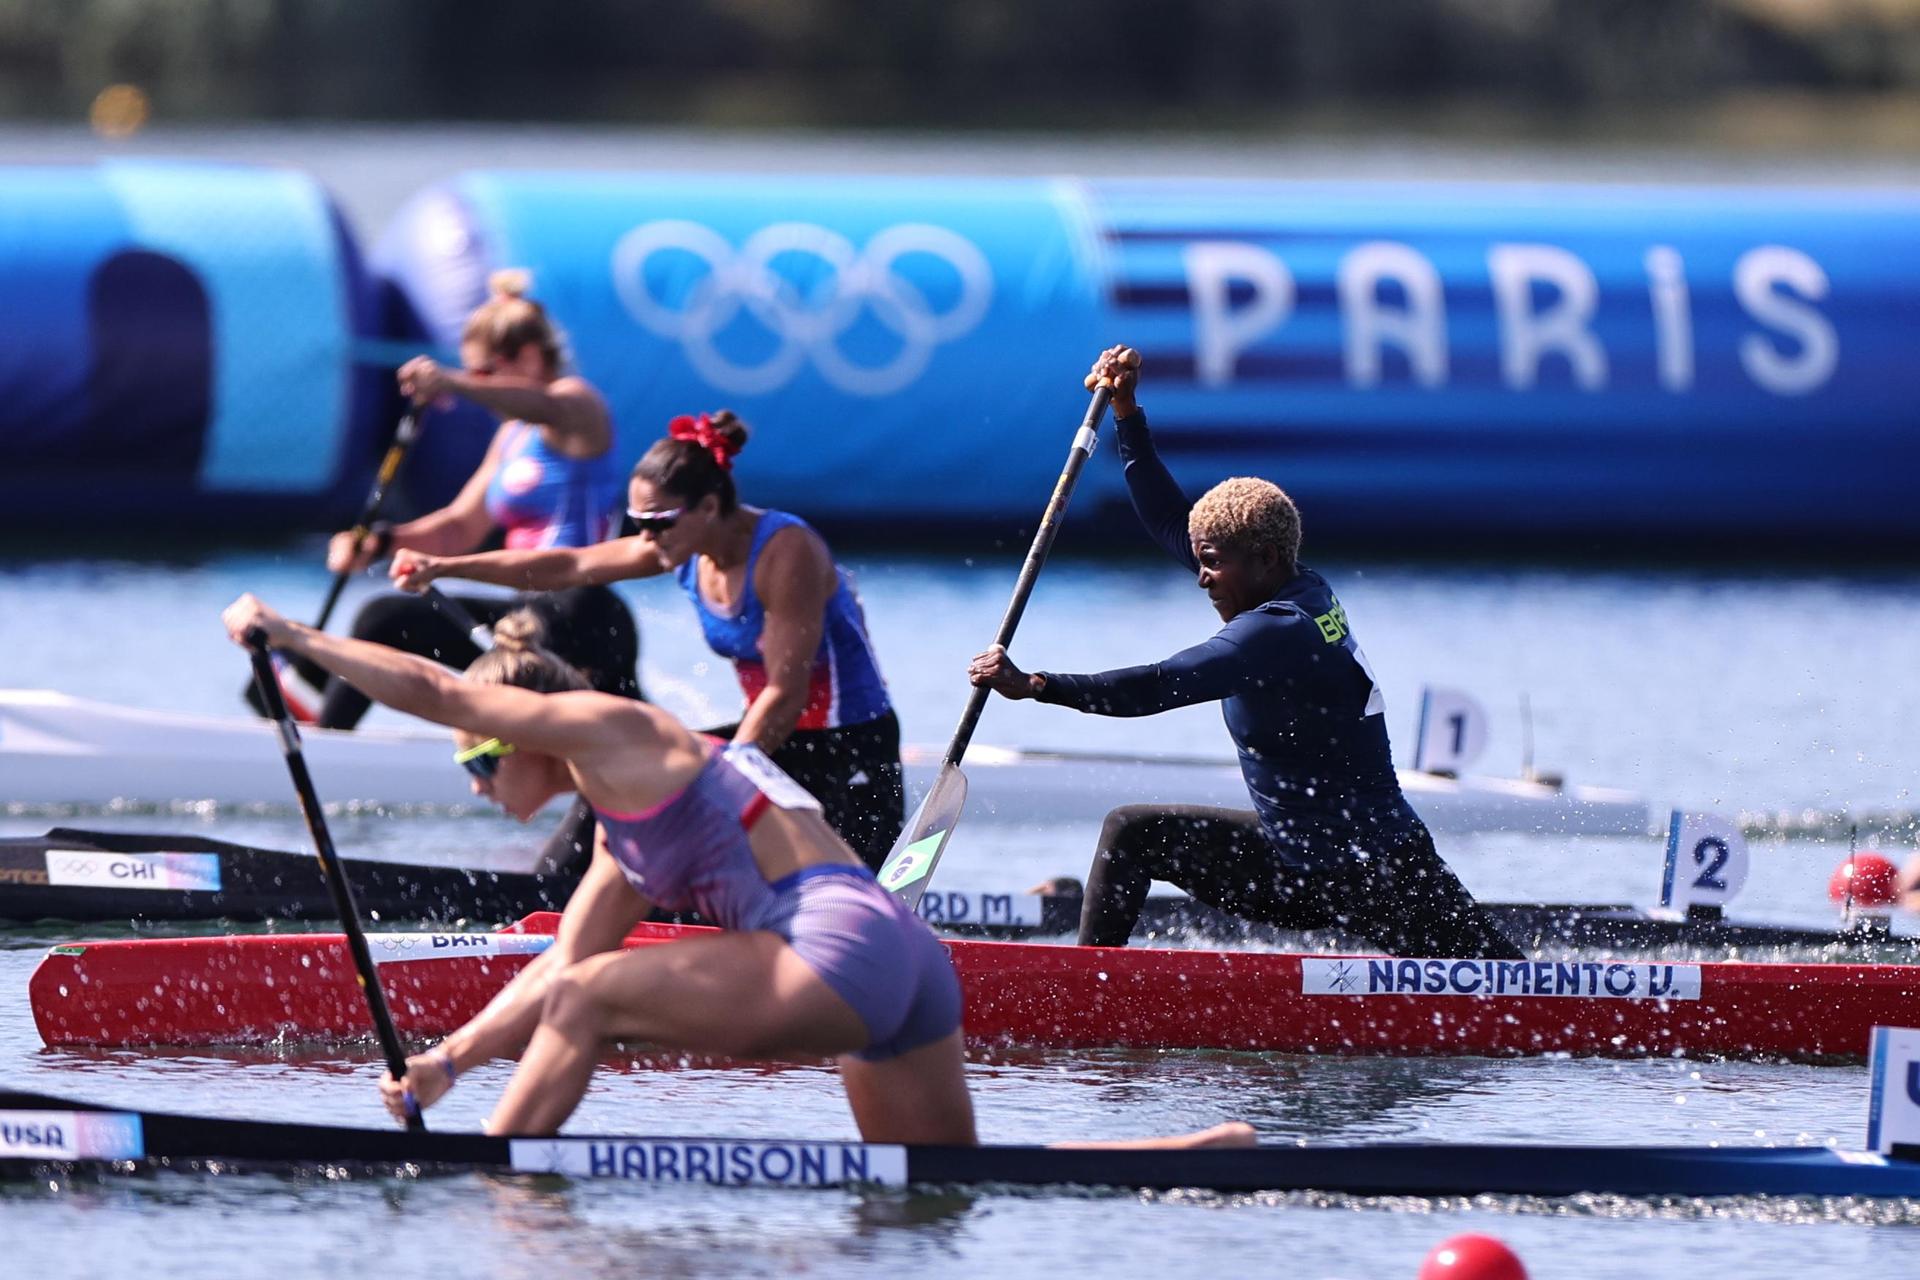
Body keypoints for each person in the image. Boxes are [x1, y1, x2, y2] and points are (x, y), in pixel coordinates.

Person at [219, 593, 1251, 1152]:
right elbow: (551, 972)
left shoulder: (612, 727)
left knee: (589, 994)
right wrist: (444, 1061)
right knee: (938, 1184)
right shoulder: (631, 834)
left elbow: (445, 690)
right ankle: (1191, 1154)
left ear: (523, 723)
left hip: (836, 945)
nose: (479, 777)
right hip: (903, 958)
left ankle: (493, 1182)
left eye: (483, 756)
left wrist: (296, 634)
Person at [967, 346, 1523, 961]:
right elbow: (1169, 523)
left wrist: (1038, 684)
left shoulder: (1279, 631)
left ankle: (1083, 992)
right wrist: (1127, 414)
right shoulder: (1291, 581)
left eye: (1211, 565)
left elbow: (1158, 685)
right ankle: (1093, 986)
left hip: (1372, 873)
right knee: (1133, 832)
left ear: (1263, 558)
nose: (1201, 578)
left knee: (1515, 992)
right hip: (1299, 861)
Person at [389, 410, 904, 871]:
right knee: (617, 774)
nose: (647, 538)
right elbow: (567, 565)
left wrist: (715, 783)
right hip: (777, 744)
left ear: (708, 507)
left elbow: (785, 695)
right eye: (637, 524)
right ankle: (548, 897)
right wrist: (446, 566)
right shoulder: (679, 548)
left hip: (850, 751)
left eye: (657, 523)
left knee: (655, 779)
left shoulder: (786, 553)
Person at [314, 269, 640, 737]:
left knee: (381, 619)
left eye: (483, 372)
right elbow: (457, 529)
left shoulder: (577, 406)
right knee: (382, 618)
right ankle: (326, 741)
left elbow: (545, 406)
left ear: (528, 358)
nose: (475, 385)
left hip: (581, 610)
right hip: (528, 612)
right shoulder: (511, 436)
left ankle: (323, 749)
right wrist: (378, 541)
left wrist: (451, 382)